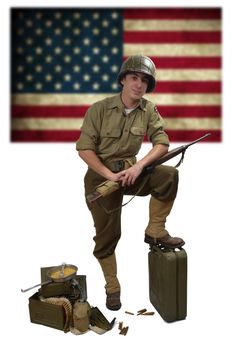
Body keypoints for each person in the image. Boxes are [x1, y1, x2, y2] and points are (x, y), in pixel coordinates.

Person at [76, 55, 185, 311]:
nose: (139, 85)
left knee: (168, 175)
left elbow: (162, 142)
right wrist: (108, 175)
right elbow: (84, 149)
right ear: (123, 79)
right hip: (100, 179)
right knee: (108, 236)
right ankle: (112, 287)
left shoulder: (149, 109)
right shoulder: (99, 109)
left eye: (145, 80)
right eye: (134, 78)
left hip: (131, 173)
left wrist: (138, 166)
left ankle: (155, 231)